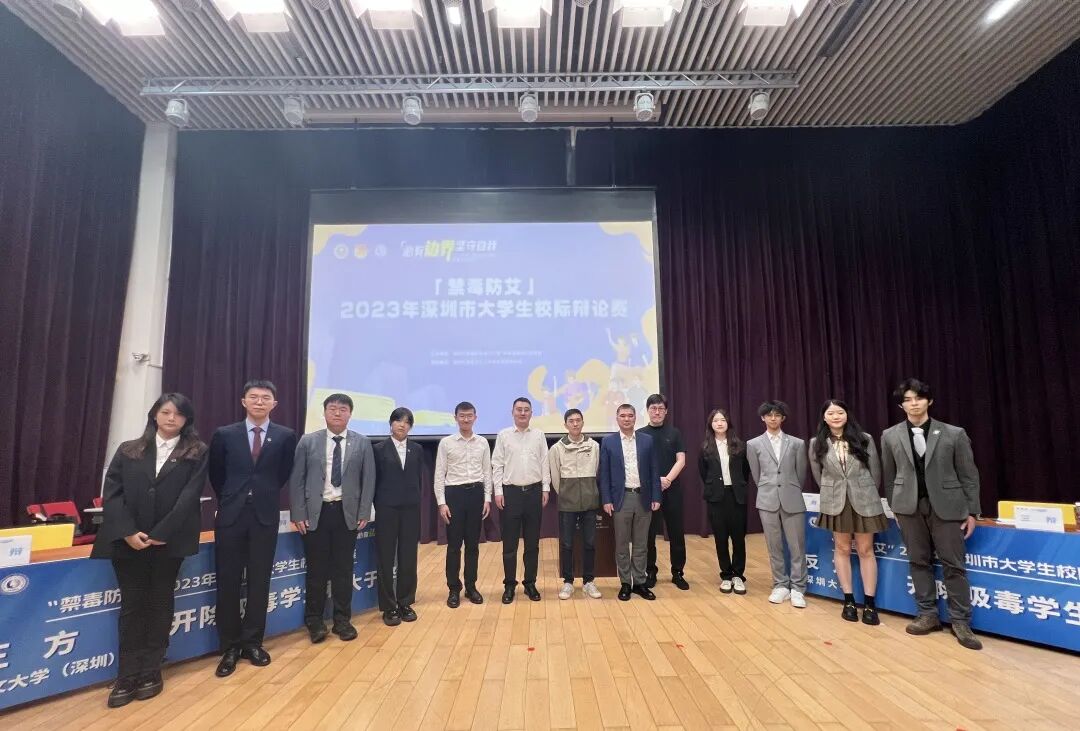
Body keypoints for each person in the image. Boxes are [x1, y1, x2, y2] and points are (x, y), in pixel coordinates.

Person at [91, 393, 208, 708]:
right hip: (127, 542)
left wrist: (161, 533)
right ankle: (126, 674)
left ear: (186, 419)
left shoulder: (196, 452)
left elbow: (189, 497)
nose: (171, 418)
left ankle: (151, 670)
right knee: (132, 606)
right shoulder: (129, 449)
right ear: (154, 414)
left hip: (168, 543)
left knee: (159, 603)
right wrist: (128, 531)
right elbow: (112, 494)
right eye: (165, 412)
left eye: (178, 414)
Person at [881, 379, 983, 650]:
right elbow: (889, 477)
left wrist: (972, 511)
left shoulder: (954, 434)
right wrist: (895, 507)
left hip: (948, 507)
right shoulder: (890, 435)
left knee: (954, 565)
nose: (913, 403)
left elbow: (969, 475)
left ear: (929, 401)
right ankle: (927, 614)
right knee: (918, 561)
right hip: (909, 508)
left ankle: (960, 620)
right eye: (907, 400)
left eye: (918, 398)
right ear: (901, 405)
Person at [208, 379, 297, 678]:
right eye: (254, 397)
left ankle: (253, 642)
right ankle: (230, 647)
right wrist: (232, 498)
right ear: (243, 401)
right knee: (228, 581)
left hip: (264, 515)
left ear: (275, 404)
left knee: (260, 581)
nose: (260, 402)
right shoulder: (225, 434)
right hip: (231, 515)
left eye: (266, 397)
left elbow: (282, 474)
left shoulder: (285, 436)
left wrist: (261, 494)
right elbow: (216, 473)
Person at [289, 394, 374, 643]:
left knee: (343, 570)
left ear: (350, 414)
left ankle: (342, 621)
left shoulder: (362, 442)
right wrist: (298, 513)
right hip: (316, 514)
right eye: (333, 409)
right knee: (316, 570)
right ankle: (314, 621)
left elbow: (368, 480)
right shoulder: (308, 441)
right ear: (324, 412)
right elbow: (297, 479)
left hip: (346, 514)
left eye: (343, 409)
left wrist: (364, 512)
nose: (337, 413)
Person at [809, 399, 886, 625]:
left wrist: (868, 494)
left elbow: (875, 472)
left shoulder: (864, 438)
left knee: (865, 549)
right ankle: (849, 601)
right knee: (842, 548)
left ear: (846, 414)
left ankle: (870, 603)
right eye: (831, 413)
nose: (836, 417)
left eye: (840, 412)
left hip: (864, 500)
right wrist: (832, 491)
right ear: (824, 417)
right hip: (836, 501)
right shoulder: (816, 443)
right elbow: (817, 474)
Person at [747, 400, 809, 608]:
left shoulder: (797, 443)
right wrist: (769, 488)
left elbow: (801, 474)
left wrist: (790, 488)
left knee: (797, 545)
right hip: (767, 499)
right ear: (763, 418)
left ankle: (798, 588)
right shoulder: (753, 444)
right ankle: (780, 584)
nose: (773, 418)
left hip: (792, 498)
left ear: (783, 418)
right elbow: (756, 475)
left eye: (777, 415)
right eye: (769, 415)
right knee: (774, 546)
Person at [599, 404, 661, 601]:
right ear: (617, 418)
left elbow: (654, 470)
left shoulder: (647, 440)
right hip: (621, 499)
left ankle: (640, 582)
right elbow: (604, 474)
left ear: (635, 418)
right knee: (622, 544)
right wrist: (606, 499)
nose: (626, 419)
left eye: (630, 416)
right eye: (623, 416)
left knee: (642, 544)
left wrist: (656, 496)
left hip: (643, 497)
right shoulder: (608, 442)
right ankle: (625, 582)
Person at [492, 397, 551, 604]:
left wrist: (545, 488)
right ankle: (509, 585)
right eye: (519, 410)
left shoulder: (539, 435)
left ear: (531, 413)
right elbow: (497, 464)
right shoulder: (504, 435)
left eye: (526, 410)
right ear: (513, 412)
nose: (523, 413)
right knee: (510, 544)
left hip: (534, 493)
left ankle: (530, 583)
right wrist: (498, 491)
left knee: (532, 544)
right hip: (511, 494)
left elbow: (544, 462)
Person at [434, 401, 492, 608]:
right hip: (454, 495)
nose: (466, 419)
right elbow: (439, 474)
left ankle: (471, 586)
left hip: (476, 494)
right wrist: (442, 503)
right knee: (454, 546)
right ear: (456, 418)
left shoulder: (482, 442)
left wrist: (487, 498)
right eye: (462, 415)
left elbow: (487, 472)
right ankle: (453, 589)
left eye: (469, 415)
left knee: (473, 545)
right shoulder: (446, 443)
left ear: (475, 417)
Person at [372, 407, 425, 626]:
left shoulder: (417, 449)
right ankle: (388, 606)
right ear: (391, 424)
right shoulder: (378, 449)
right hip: (386, 509)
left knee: (408, 556)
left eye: (406, 422)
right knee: (385, 557)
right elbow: (374, 480)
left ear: (410, 426)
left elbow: (418, 479)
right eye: (398, 421)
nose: (402, 425)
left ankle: (405, 602)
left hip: (411, 509)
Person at [549, 408, 602, 600]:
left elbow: (596, 470)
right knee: (567, 543)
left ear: (583, 423)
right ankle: (568, 582)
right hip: (567, 503)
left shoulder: (594, 446)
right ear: (565, 425)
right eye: (571, 421)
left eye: (578, 420)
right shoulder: (556, 448)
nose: (575, 424)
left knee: (589, 543)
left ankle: (589, 582)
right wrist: (566, 494)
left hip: (589, 502)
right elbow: (555, 477)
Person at [698, 409, 751, 595]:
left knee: (738, 538)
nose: (719, 423)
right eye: (715, 420)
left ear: (728, 423)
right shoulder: (705, 447)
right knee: (720, 538)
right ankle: (726, 575)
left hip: (736, 496)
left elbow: (745, 471)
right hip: (716, 497)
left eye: (722, 420)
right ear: (710, 424)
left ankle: (738, 575)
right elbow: (703, 472)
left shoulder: (740, 446)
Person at [639, 394, 688, 590]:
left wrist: (667, 479)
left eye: (660, 408)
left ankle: (678, 572)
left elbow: (681, 460)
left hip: (672, 489)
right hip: (649, 491)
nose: (657, 412)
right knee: (648, 534)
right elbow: (638, 463)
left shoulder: (674, 433)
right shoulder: (640, 434)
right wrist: (655, 481)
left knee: (676, 533)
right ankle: (650, 571)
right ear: (647, 411)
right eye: (653, 408)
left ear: (666, 411)